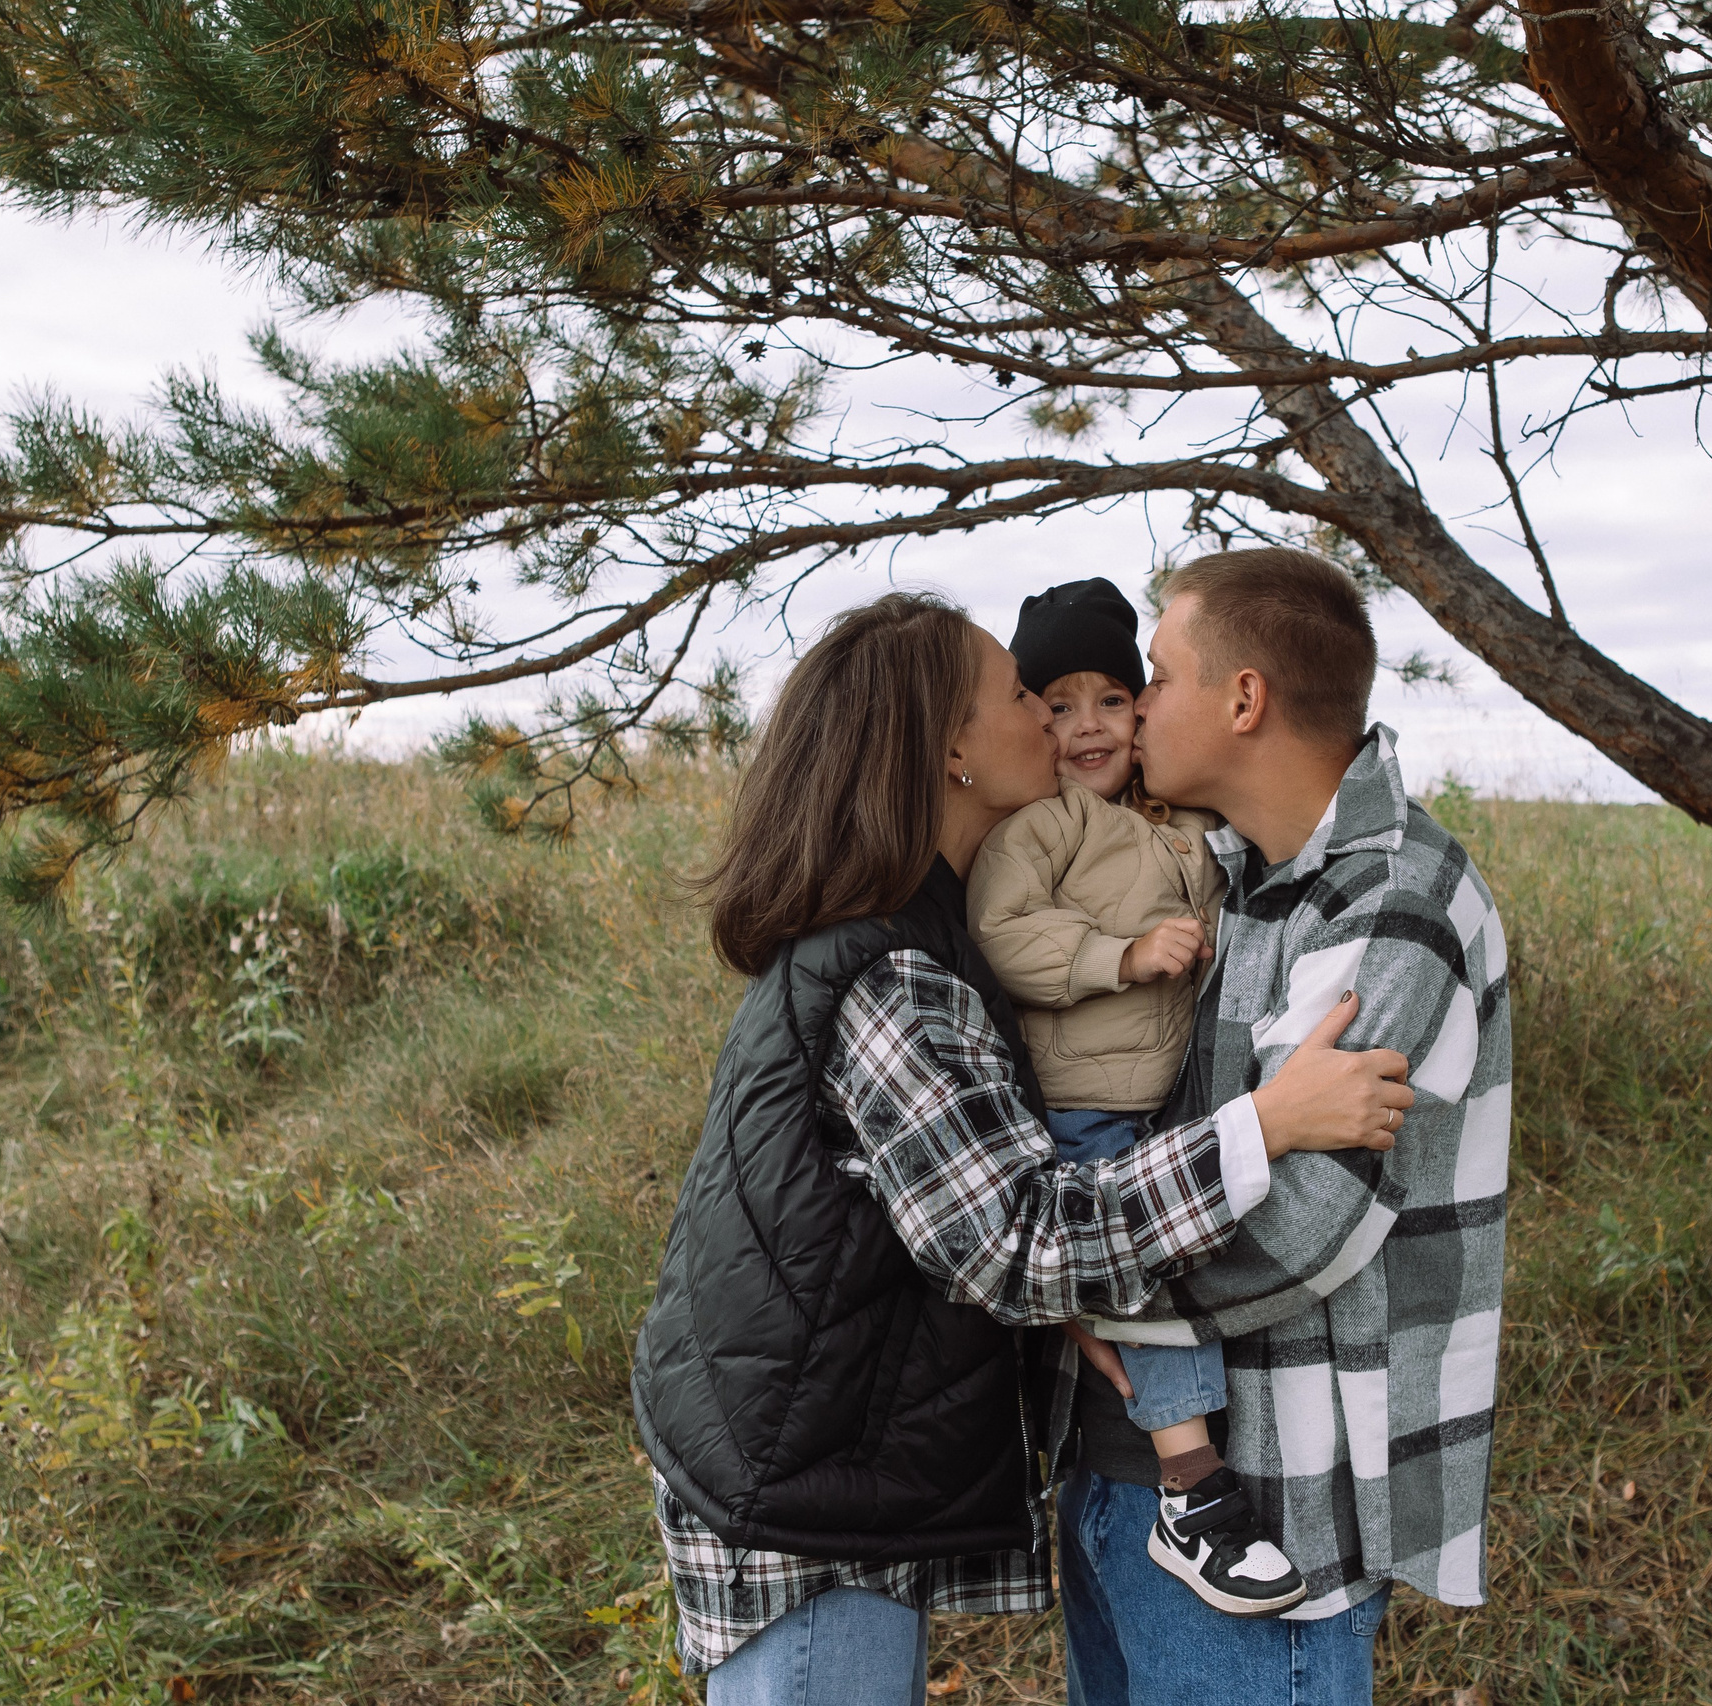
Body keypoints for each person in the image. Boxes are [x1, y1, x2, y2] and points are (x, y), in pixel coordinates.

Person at [628, 591, 1418, 1705]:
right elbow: (1015, 1231)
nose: (1056, 723)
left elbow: (941, 1197)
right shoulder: (890, 974)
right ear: (951, 746)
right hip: (803, 1498)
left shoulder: (925, 919)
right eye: (1017, 695)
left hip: (823, 1456)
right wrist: (1266, 1122)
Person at [1055, 549, 1514, 1706]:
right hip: (1120, 1467)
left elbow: (1302, 1224)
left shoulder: (1390, 906)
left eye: (1157, 674)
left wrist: (1056, 1276)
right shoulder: (1225, 869)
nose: (1138, 701)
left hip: (1270, 1505)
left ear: (1244, 697)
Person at [967, 577, 1305, 1617]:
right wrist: (1118, 953)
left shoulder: (1172, 824)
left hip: (1159, 1098)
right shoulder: (1044, 828)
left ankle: (1180, 1466)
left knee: (1178, 1252)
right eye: (1055, 703)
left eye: (1111, 698)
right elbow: (1003, 932)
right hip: (1082, 1104)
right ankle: (1190, 1483)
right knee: (1148, 1265)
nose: (1084, 726)